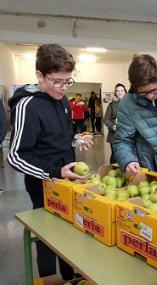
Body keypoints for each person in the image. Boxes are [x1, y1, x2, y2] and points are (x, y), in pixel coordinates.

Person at [7, 43, 93, 281]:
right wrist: (55, 172)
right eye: (57, 81)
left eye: (68, 82)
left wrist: (75, 141)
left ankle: (69, 275)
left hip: (68, 180)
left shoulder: (62, 100)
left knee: (69, 230)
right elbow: (16, 155)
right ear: (39, 75)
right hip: (43, 184)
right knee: (48, 236)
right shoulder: (27, 106)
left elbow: (59, 138)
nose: (63, 88)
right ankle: (49, 278)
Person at [103, 83, 127, 163]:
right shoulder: (112, 105)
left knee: (127, 155)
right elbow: (106, 119)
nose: (120, 92)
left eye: (121, 90)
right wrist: (112, 126)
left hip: (128, 135)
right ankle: (113, 171)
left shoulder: (131, 105)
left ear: (125, 92)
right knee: (115, 155)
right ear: (115, 93)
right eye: (117, 91)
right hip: (114, 135)